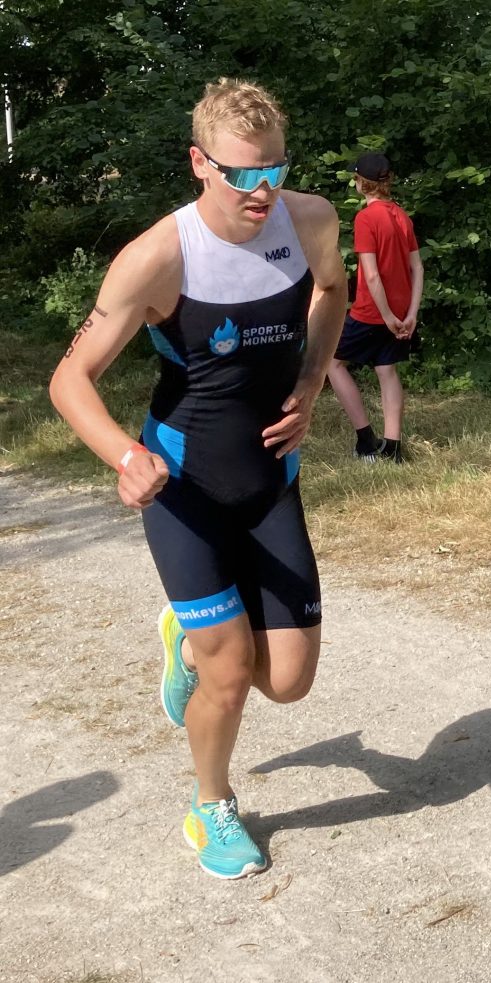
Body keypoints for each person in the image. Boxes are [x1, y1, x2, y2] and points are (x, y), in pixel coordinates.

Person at [49, 78, 348, 880]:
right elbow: (70, 378)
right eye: (241, 173)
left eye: (274, 170)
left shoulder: (311, 220)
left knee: (289, 679)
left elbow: (332, 290)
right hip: (184, 488)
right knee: (229, 669)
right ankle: (210, 802)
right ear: (199, 163)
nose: (262, 191)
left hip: (271, 478)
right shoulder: (157, 258)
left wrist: (312, 381)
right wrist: (125, 456)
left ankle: (183, 637)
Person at [326, 152, 423, 463]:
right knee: (386, 369)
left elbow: (371, 275)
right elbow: (417, 269)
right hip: (401, 313)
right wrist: (410, 314)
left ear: (360, 182)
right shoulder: (401, 216)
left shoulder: (366, 218)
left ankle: (366, 441)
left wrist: (387, 317)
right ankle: (393, 448)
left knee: (333, 363)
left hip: (372, 312)